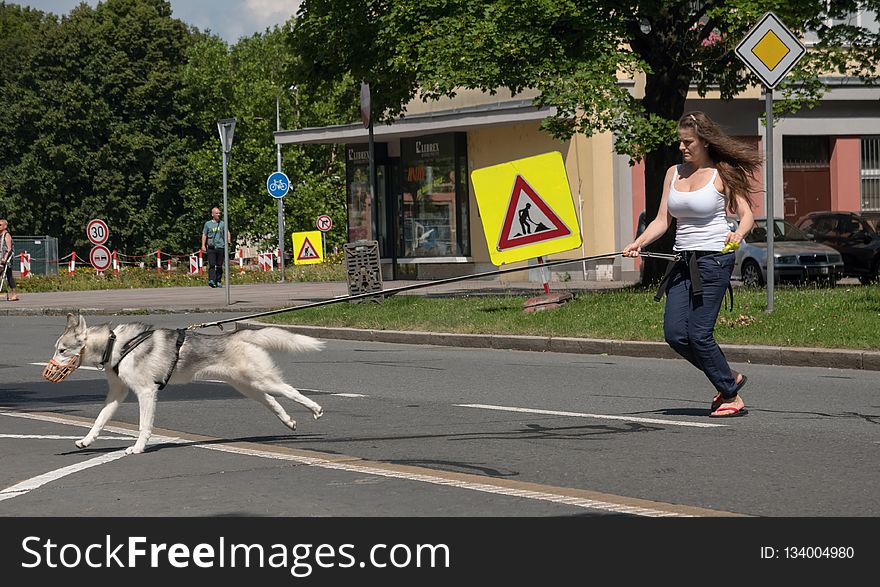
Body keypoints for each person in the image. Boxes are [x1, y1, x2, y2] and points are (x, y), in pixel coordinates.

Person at [623, 111, 760, 418]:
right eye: (680, 142)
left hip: (714, 260)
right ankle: (728, 378)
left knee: (698, 334)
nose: (682, 148)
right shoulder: (674, 173)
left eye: (688, 142)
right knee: (674, 334)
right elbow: (662, 220)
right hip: (682, 262)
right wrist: (639, 243)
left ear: (705, 142)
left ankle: (730, 395)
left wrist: (738, 234)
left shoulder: (720, 174)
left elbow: (747, 214)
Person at [200, 207, 230, 288]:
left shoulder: (222, 223)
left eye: (219, 213)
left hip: (221, 246)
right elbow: (204, 234)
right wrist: (203, 245)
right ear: (212, 214)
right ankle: (211, 280)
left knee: (219, 265)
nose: (218, 215)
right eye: (216, 213)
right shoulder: (208, 224)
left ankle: (218, 280)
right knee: (212, 264)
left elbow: (227, 232)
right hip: (211, 247)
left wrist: (228, 240)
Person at [0, 218, 19, 301]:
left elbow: (9, 248)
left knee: (9, 275)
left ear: (5, 226)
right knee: (8, 275)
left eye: (0, 225)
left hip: (6, 259)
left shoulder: (6, 235)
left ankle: (14, 294)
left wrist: (5, 258)